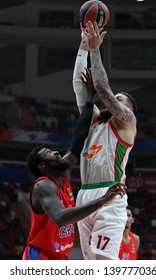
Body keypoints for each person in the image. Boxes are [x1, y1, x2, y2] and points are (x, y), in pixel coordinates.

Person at [22, 91, 126, 260]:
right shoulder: (44, 185)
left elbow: (78, 136)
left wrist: (90, 99)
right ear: (42, 165)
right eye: (48, 152)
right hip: (40, 255)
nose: (55, 152)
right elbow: (61, 218)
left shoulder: (64, 171)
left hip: (60, 255)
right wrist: (102, 200)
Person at [72, 21, 137, 260]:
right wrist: (82, 45)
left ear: (127, 109)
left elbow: (100, 86)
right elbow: (81, 86)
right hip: (85, 194)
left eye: (119, 100)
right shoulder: (96, 121)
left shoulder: (127, 122)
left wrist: (95, 49)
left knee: (103, 268)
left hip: (110, 194)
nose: (113, 101)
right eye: (115, 98)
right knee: (90, 266)